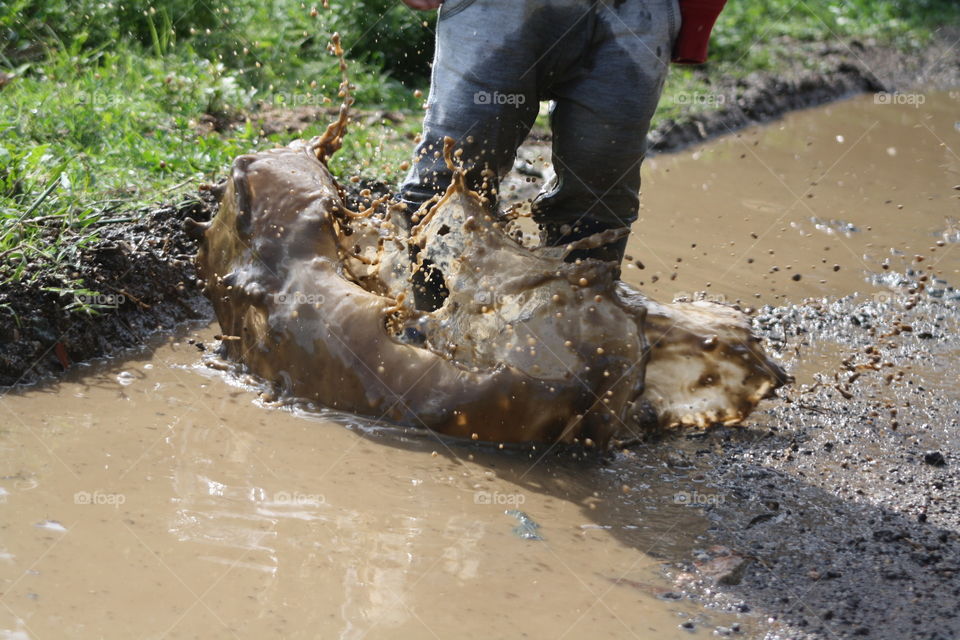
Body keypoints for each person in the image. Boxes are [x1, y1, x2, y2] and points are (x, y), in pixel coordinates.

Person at [399, 0, 726, 310]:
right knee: (451, 177)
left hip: (637, 12)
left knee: (598, 199)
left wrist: (697, 15)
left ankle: (569, 347)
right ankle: (426, 342)